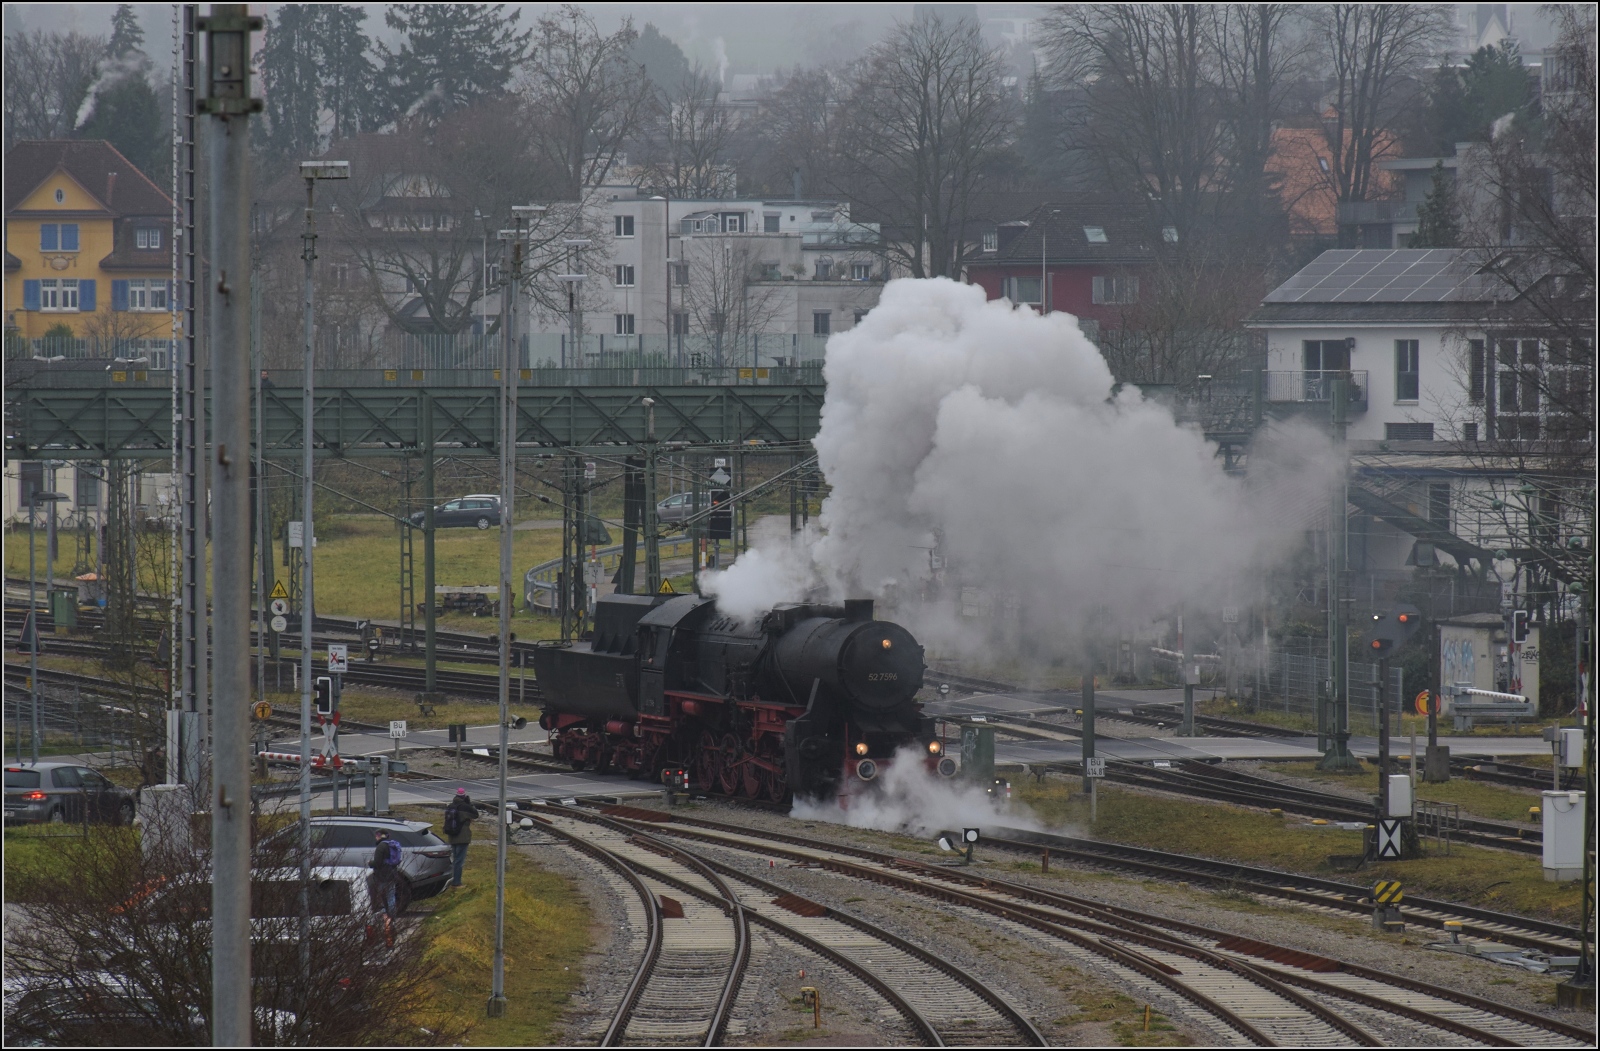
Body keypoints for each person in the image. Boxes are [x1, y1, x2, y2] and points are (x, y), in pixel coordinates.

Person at [367, 828, 402, 946]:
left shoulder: (381, 847)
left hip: (382, 876)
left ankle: (386, 919)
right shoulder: (391, 844)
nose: (375, 837)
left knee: (381, 897)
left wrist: (369, 863)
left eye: (376, 835)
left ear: (379, 836)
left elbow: (377, 862)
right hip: (392, 874)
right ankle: (393, 918)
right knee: (391, 896)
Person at [442, 787, 478, 889]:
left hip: (452, 836)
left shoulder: (451, 806)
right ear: (464, 796)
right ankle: (456, 882)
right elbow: (476, 814)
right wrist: (470, 803)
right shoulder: (465, 807)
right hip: (462, 837)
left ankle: (451, 880)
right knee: (459, 861)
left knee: (454, 860)